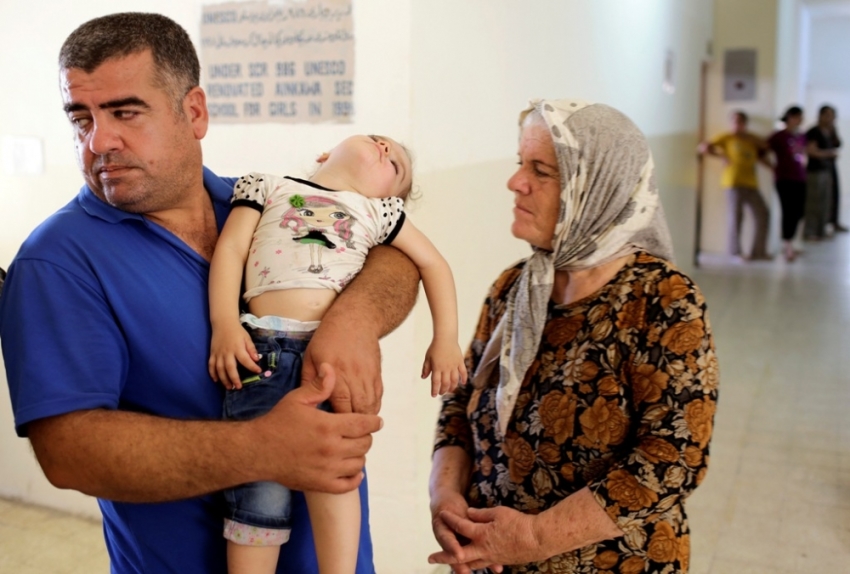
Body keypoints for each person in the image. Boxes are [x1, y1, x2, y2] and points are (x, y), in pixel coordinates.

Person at [0, 12, 420, 574]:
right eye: (81, 118)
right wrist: (263, 449)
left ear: (194, 112)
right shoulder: (57, 261)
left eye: (125, 112)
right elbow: (68, 451)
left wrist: (356, 320)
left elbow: (397, 256)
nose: (99, 141)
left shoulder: (258, 200)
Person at [428, 99, 718, 573]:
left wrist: (536, 537)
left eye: (540, 170)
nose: (515, 182)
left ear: (597, 188)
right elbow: (461, 397)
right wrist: (444, 494)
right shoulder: (514, 286)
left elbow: (674, 457)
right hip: (491, 558)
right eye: (520, 163)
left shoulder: (663, 300)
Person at [210, 137, 467, 573]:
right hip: (262, 353)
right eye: (378, 140)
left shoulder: (379, 213)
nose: (385, 149)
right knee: (257, 484)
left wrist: (446, 339)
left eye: (396, 166)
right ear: (325, 154)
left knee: (335, 476)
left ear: (389, 196)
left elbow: (434, 265)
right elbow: (231, 249)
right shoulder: (267, 186)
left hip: (333, 363)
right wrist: (225, 324)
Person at [698, 110, 772, 261]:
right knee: (736, 217)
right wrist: (722, 156)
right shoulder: (726, 137)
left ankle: (759, 252)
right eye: (734, 121)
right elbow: (703, 148)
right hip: (733, 182)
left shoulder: (751, 139)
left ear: (745, 123)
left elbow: (765, 148)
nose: (737, 124)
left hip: (751, 183)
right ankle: (735, 252)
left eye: (740, 121)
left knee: (763, 213)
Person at [767, 106, 808, 261]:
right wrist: (771, 166)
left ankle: (792, 240)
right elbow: (762, 150)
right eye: (798, 117)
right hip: (784, 179)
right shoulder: (778, 136)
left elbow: (803, 152)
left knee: (799, 211)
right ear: (790, 117)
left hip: (800, 177)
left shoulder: (801, 136)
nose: (800, 120)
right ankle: (787, 244)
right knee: (788, 211)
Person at [804, 105, 843, 239]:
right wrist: (828, 154)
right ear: (820, 116)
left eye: (832, 116)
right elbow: (811, 151)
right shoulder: (814, 132)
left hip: (827, 170)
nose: (830, 119)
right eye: (828, 115)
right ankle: (810, 231)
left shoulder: (829, 132)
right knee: (814, 202)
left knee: (826, 202)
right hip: (815, 171)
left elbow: (838, 144)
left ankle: (821, 230)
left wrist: (833, 130)